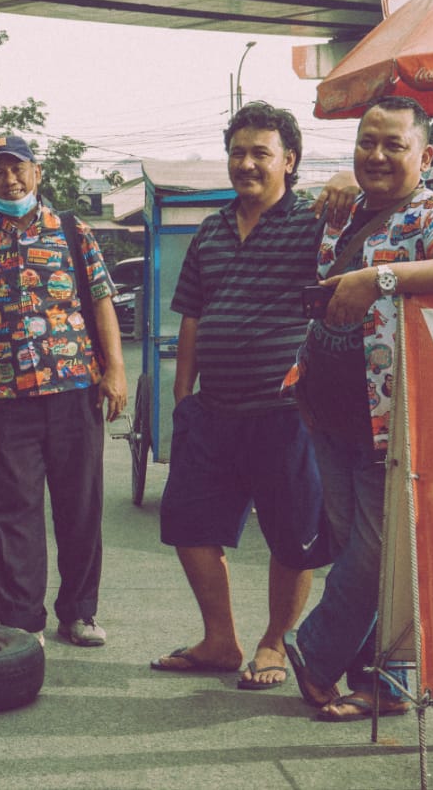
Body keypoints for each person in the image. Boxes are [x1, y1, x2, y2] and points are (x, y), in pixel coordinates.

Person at [286, 96, 433, 721]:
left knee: (382, 554)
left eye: (393, 145)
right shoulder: (343, 213)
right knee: (360, 550)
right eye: (365, 143)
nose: (375, 156)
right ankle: (379, 683)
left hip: (393, 421)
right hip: (330, 412)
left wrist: (380, 278)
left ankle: (318, 654)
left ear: (425, 157)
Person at [151, 101, 337, 690]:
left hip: (286, 413)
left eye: (261, 153)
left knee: (293, 536)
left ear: (290, 160)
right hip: (213, 412)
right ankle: (219, 640)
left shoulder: (314, 224)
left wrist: (348, 182)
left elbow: (370, 209)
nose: (247, 163)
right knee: (188, 525)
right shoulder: (209, 231)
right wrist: (183, 400)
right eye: (238, 152)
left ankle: (274, 642)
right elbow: (192, 318)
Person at [0, 134, 126, 647]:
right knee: (16, 511)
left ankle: (79, 612)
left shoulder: (72, 231)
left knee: (80, 508)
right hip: (10, 397)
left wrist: (115, 370)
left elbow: (101, 302)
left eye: (18, 169)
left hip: (75, 387)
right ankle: (21, 621)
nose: (9, 179)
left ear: (37, 174)